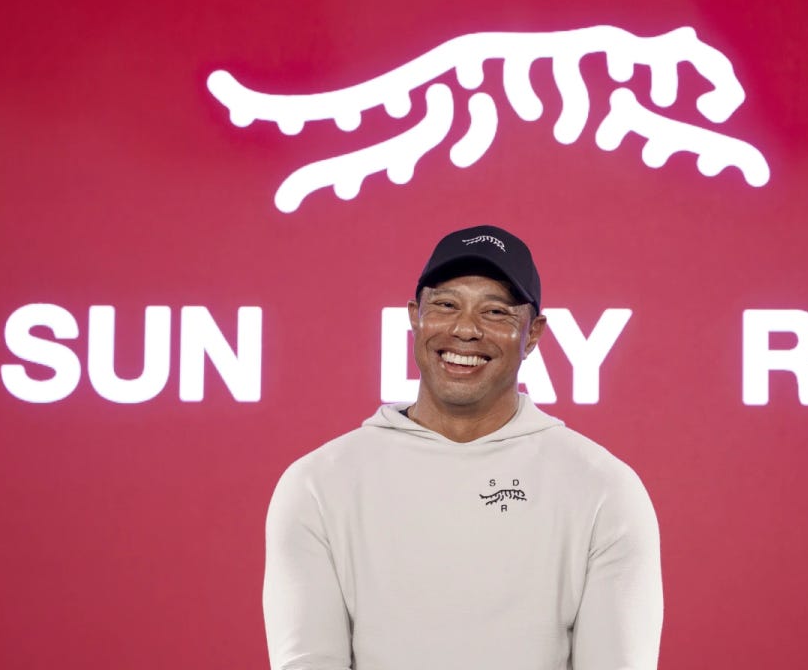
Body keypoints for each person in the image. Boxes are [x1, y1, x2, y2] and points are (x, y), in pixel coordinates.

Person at [263, 225, 663, 670]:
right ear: (416, 316)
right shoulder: (319, 483)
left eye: (495, 312)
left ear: (533, 334)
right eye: (447, 305)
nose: (466, 329)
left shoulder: (603, 488)